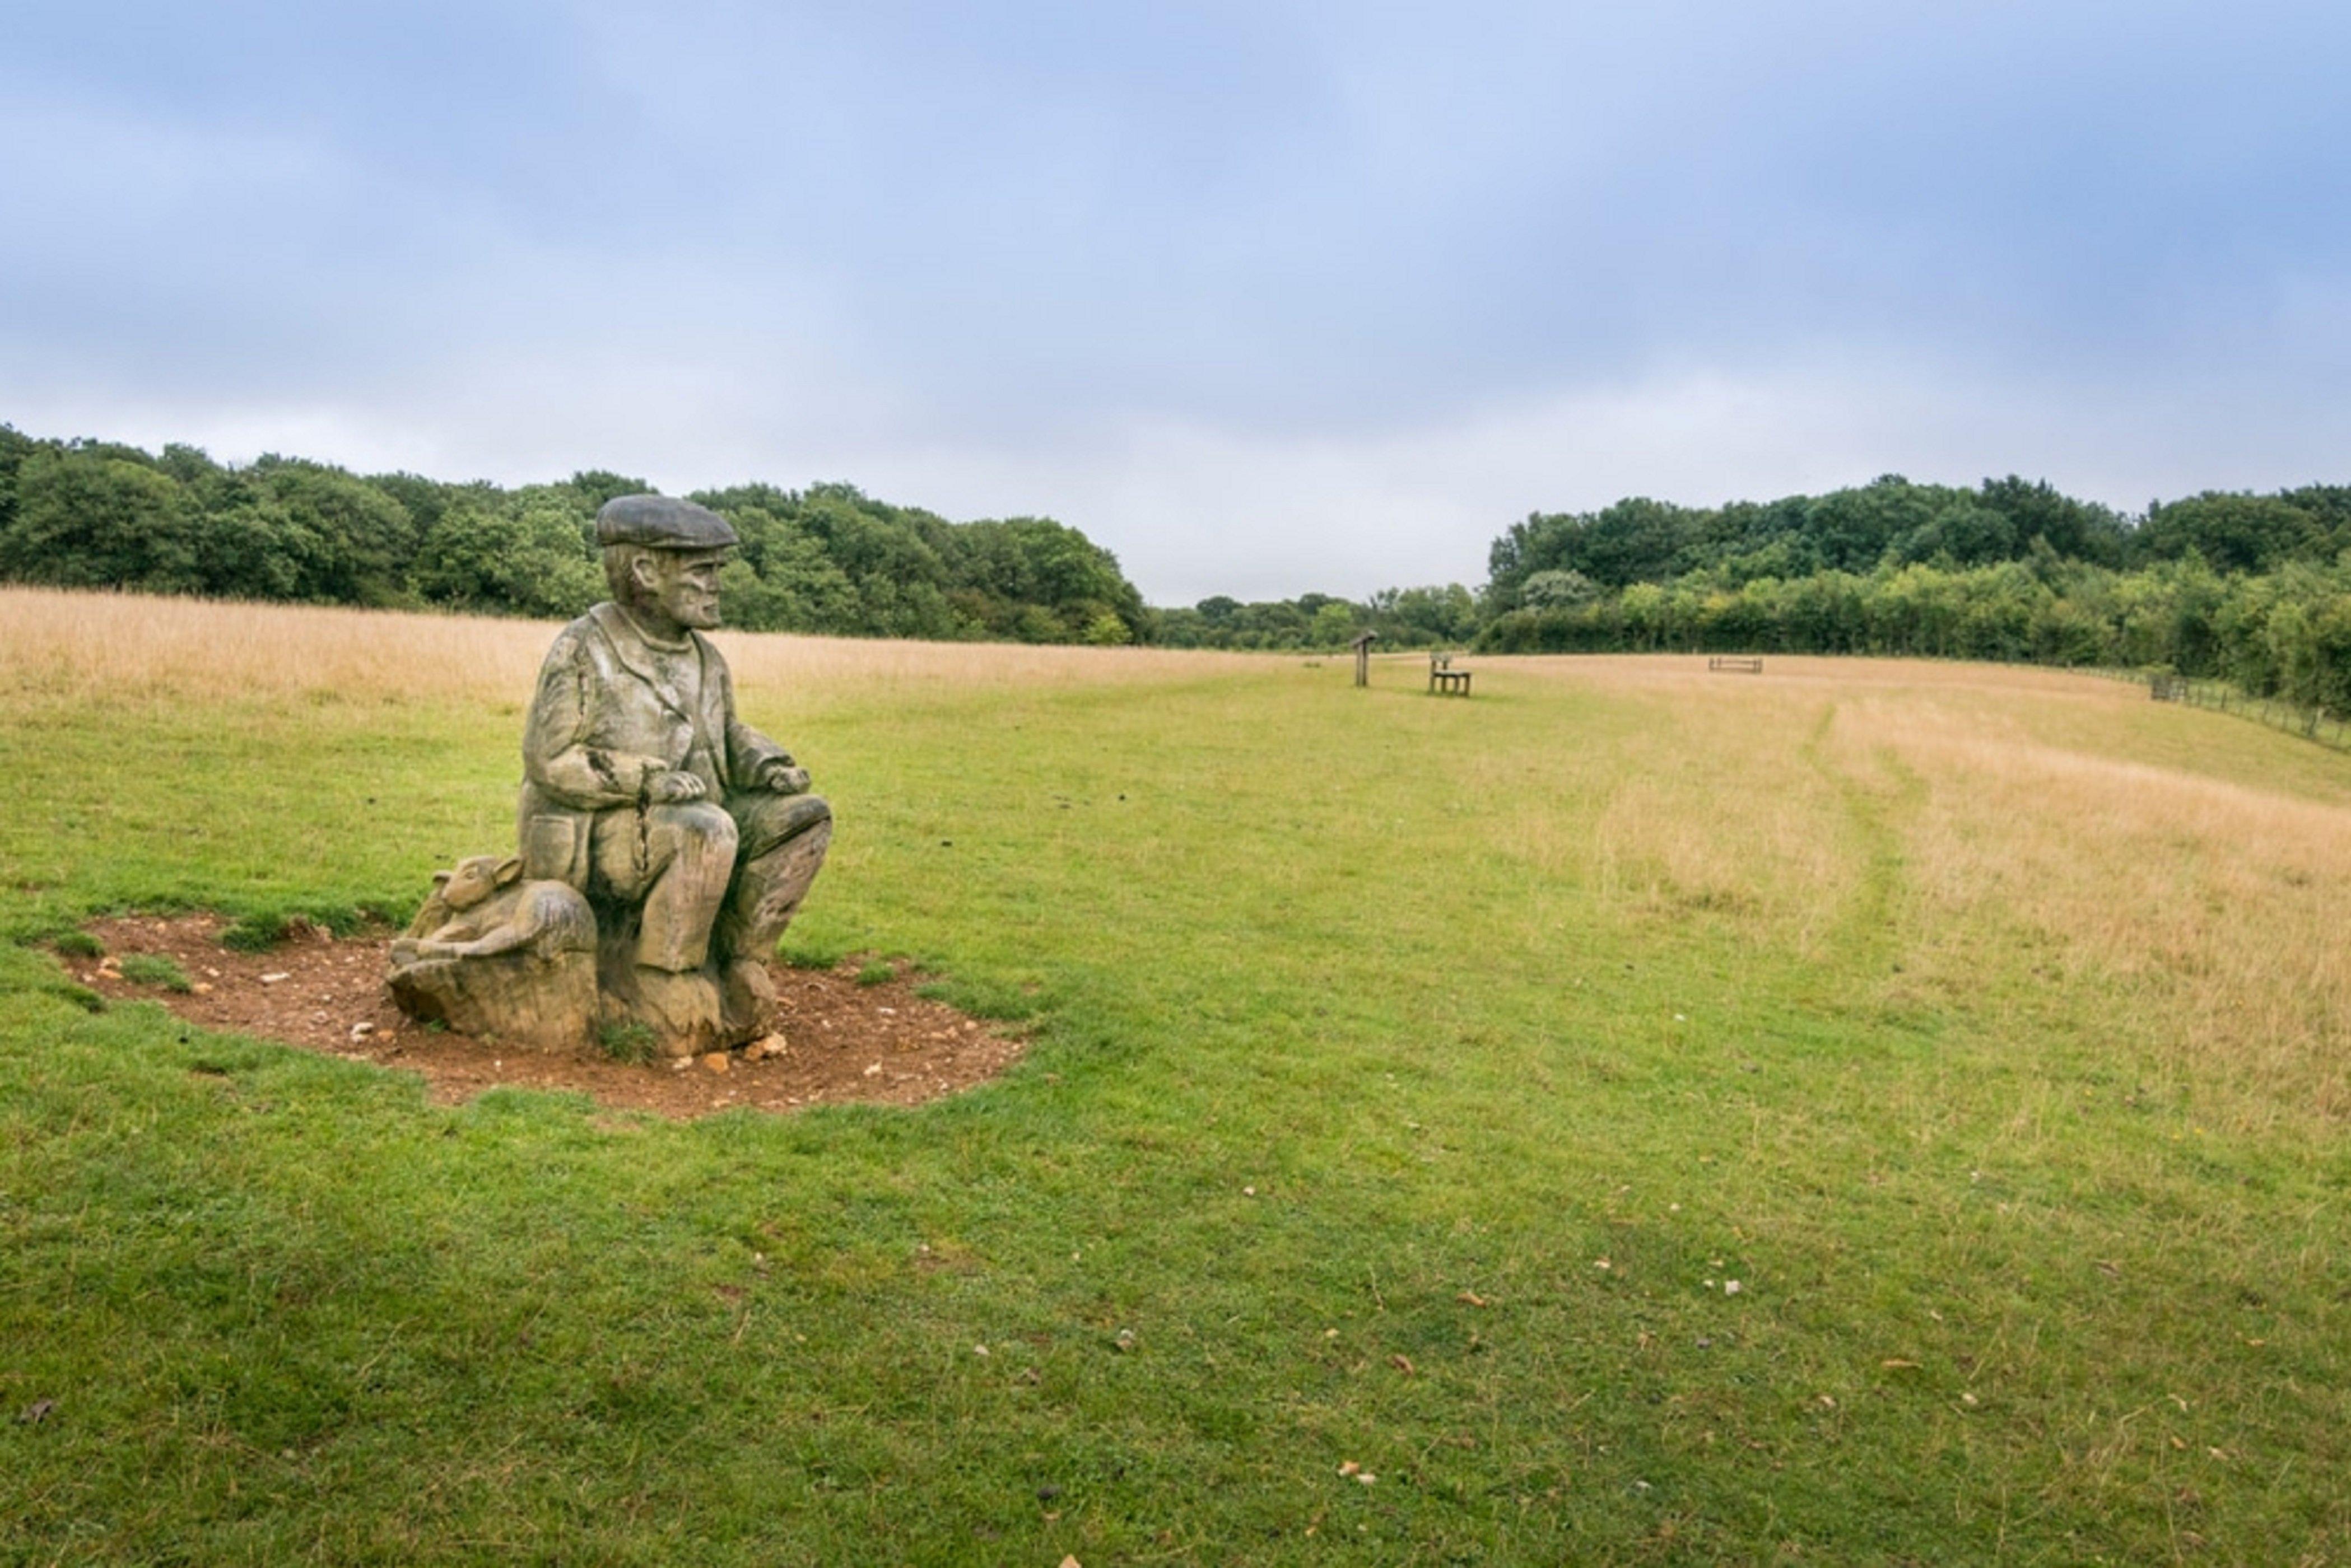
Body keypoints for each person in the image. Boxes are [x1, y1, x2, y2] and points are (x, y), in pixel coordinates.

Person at [517, 494, 831, 1043]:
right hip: (594, 831)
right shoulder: (584, 648)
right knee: (704, 829)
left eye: (717, 571)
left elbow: (725, 734)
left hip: (686, 819)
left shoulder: (706, 659)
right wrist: (649, 778)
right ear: (645, 570)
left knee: (804, 819)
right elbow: (550, 759)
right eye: (702, 571)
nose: (717, 585)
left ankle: (738, 958)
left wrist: (768, 762)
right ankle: (665, 975)